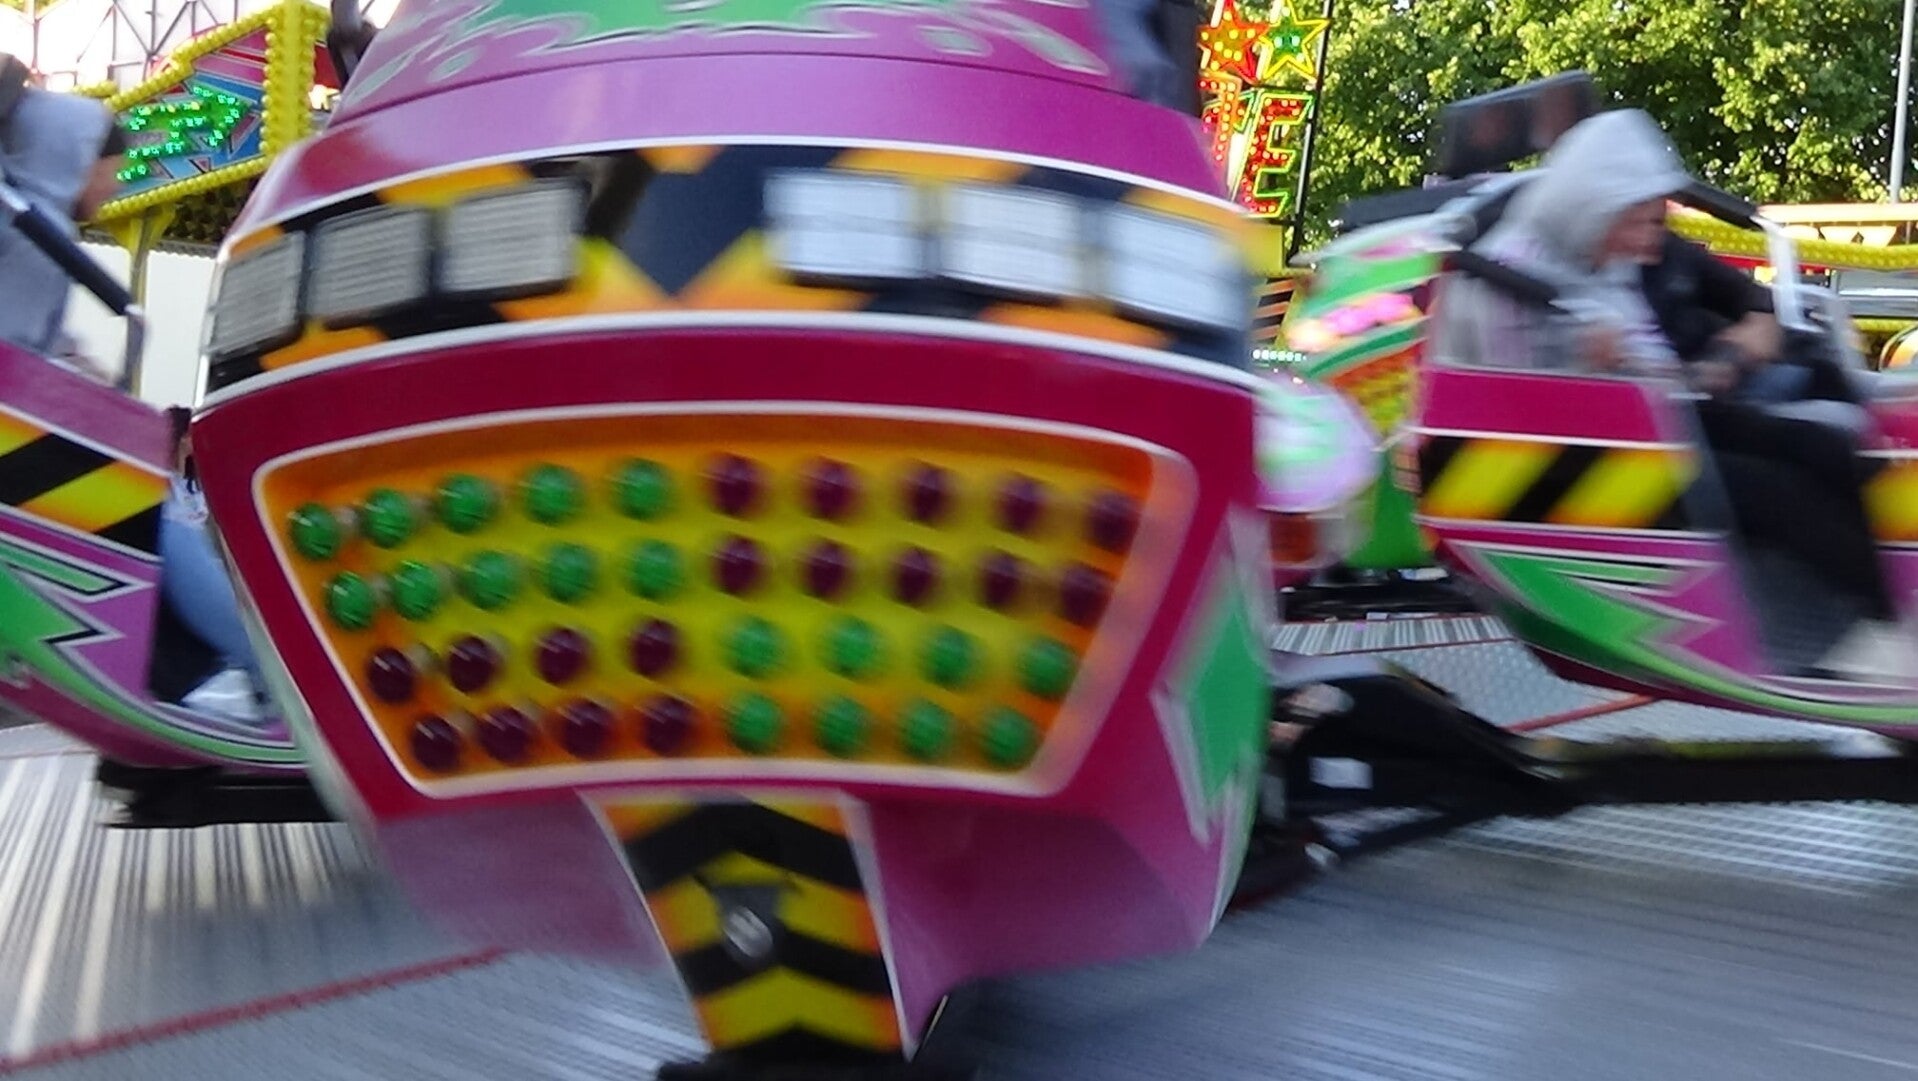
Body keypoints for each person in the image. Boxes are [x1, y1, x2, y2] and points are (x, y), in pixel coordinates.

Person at [1431, 108, 1915, 684]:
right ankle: (1883, 633)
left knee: (1820, 445)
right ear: (1593, 207)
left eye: (1651, 223)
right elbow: (1512, 405)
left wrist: (1688, 371)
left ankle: (1896, 602)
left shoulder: (1595, 254)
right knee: (1779, 495)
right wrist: (1593, 373)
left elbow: (1657, 356)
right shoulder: (1509, 280)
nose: (1647, 244)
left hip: (1653, 419)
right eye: (1636, 223)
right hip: (1569, 458)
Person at [0, 57, 128, 362]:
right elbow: (17, 350)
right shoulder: (36, 235)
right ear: (77, 157)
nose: (114, 186)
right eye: (109, 171)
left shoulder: (14, 211)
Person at [158, 407, 269, 726]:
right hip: (183, 568)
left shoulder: (192, 485)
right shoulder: (165, 487)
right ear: (183, 438)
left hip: (202, 562)